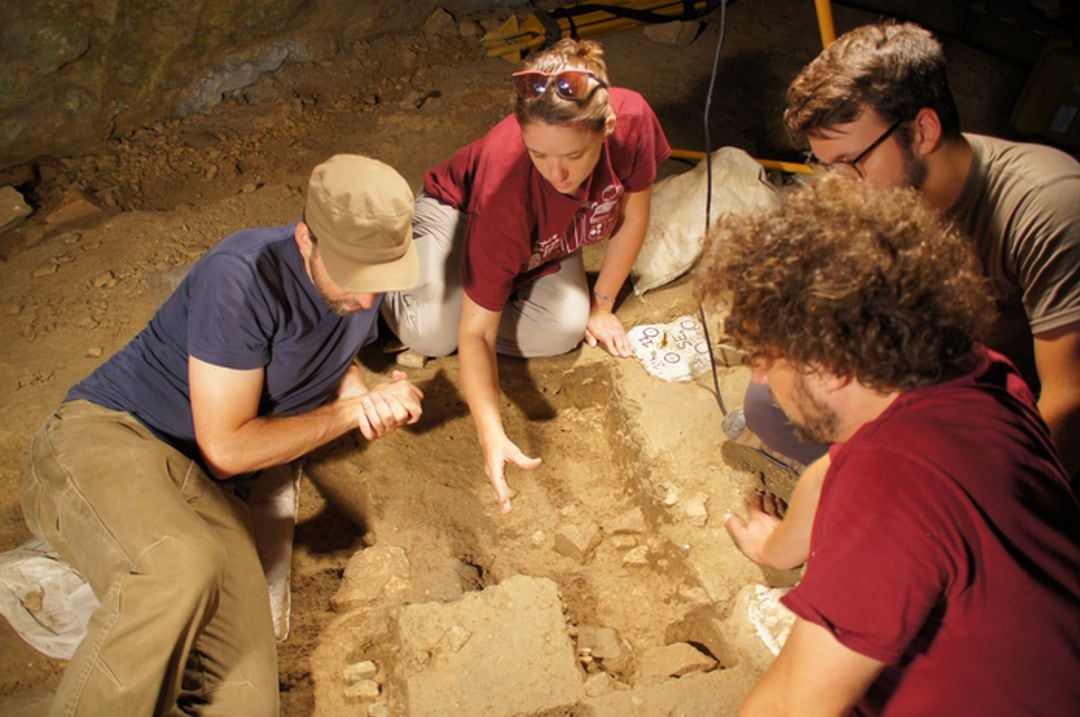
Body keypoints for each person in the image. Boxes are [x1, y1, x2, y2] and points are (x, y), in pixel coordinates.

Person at [20, 154, 424, 716]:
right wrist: (348, 416)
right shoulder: (242, 275)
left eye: (380, 282)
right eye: (355, 279)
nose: (365, 301)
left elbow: (333, 359)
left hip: (207, 490)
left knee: (245, 701)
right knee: (178, 569)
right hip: (112, 435)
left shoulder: (363, 284)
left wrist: (368, 395)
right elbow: (229, 449)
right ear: (306, 238)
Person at [697, 173, 1080, 715]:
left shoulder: (892, 493)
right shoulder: (972, 374)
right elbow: (831, 468)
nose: (760, 379)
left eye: (765, 356)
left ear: (827, 365)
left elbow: (789, 704)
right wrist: (775, 548)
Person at [740, 21, 1080, 477]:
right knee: (769, 401)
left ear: (922, 131)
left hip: (1004, 403)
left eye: (851, 162)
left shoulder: (1047, 205)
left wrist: (991, 505)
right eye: (826, 166)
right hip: (930, 370)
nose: (841, 184)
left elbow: (1067, 402)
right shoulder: (879, 191)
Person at [381, 38, 671, 514]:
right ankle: (408, 267)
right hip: (458, 215)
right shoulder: (506, 185)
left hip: (546, 240)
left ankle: (492, 285)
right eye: (539, 154)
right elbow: (474, 334)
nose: (557, 172)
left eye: (574, 156)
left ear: (607, 129)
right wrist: (491, 435)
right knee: (432, 331)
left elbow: (634, 216)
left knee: (564, 328)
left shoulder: (633, 119)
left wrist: (601, 305)